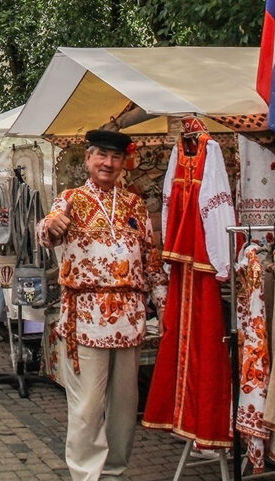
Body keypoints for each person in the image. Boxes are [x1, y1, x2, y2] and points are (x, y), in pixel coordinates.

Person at [38, 129, 168, 481]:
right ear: (89, 159)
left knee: (125, 407)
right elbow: (47, 229)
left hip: (129, 319)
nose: (108, 163)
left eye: (115, 158)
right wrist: (52, 225)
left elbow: (151, 260)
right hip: (86, 318)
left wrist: (164, 304)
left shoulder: (135, 205)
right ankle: (86, 475)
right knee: (87, 407)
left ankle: (113, 472)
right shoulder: (71, 199)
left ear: (123, 163)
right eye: (102, 156)